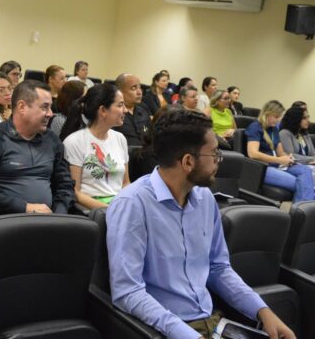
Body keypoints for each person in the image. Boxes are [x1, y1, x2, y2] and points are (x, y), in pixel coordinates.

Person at [107, 107, 295, 339]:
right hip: (163, 328)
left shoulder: (205, 198)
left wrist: (262, 311)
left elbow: (218, 268)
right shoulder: (132, 204)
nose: (219, 161)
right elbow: (128, 292)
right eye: (214, 154)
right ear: (188, 162)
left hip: (212, 322)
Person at [0, 79, 74, 214]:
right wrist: (25, 207)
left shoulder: (52, 141)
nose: (50, 113)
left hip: (48, 221)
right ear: (22, 107)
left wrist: (59, 214)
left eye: (50, 107)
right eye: (44, 107)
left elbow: (64, 185)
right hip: (8, 220)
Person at [62, 84, 129, 209]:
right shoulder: (74, 141)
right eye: (120, 105)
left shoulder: (120, 139)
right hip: (92, 211)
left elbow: (125, 183)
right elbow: (75, 192)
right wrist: (109, 210)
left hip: (119, 205)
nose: (125, 110)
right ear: (103, 110)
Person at [245, 100, 314, 202]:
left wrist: (288, 158)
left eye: (279, 117)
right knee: (304, 184)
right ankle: (302, 213)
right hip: (263, 168)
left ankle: (304, 211)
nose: (278, 120)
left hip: (278, 165)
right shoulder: (255, 127)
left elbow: (281, 153)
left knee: (306, 171)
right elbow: (253, 154)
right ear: (267, 113)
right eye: (276, 117)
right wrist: (278, 160)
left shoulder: (274, 130)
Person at [113, 73, 151, 147]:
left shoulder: (144, 112)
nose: (139, 92)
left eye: (140, 87)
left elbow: (150, 138)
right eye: (133, 88)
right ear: (120, 91)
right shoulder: (113, 114)